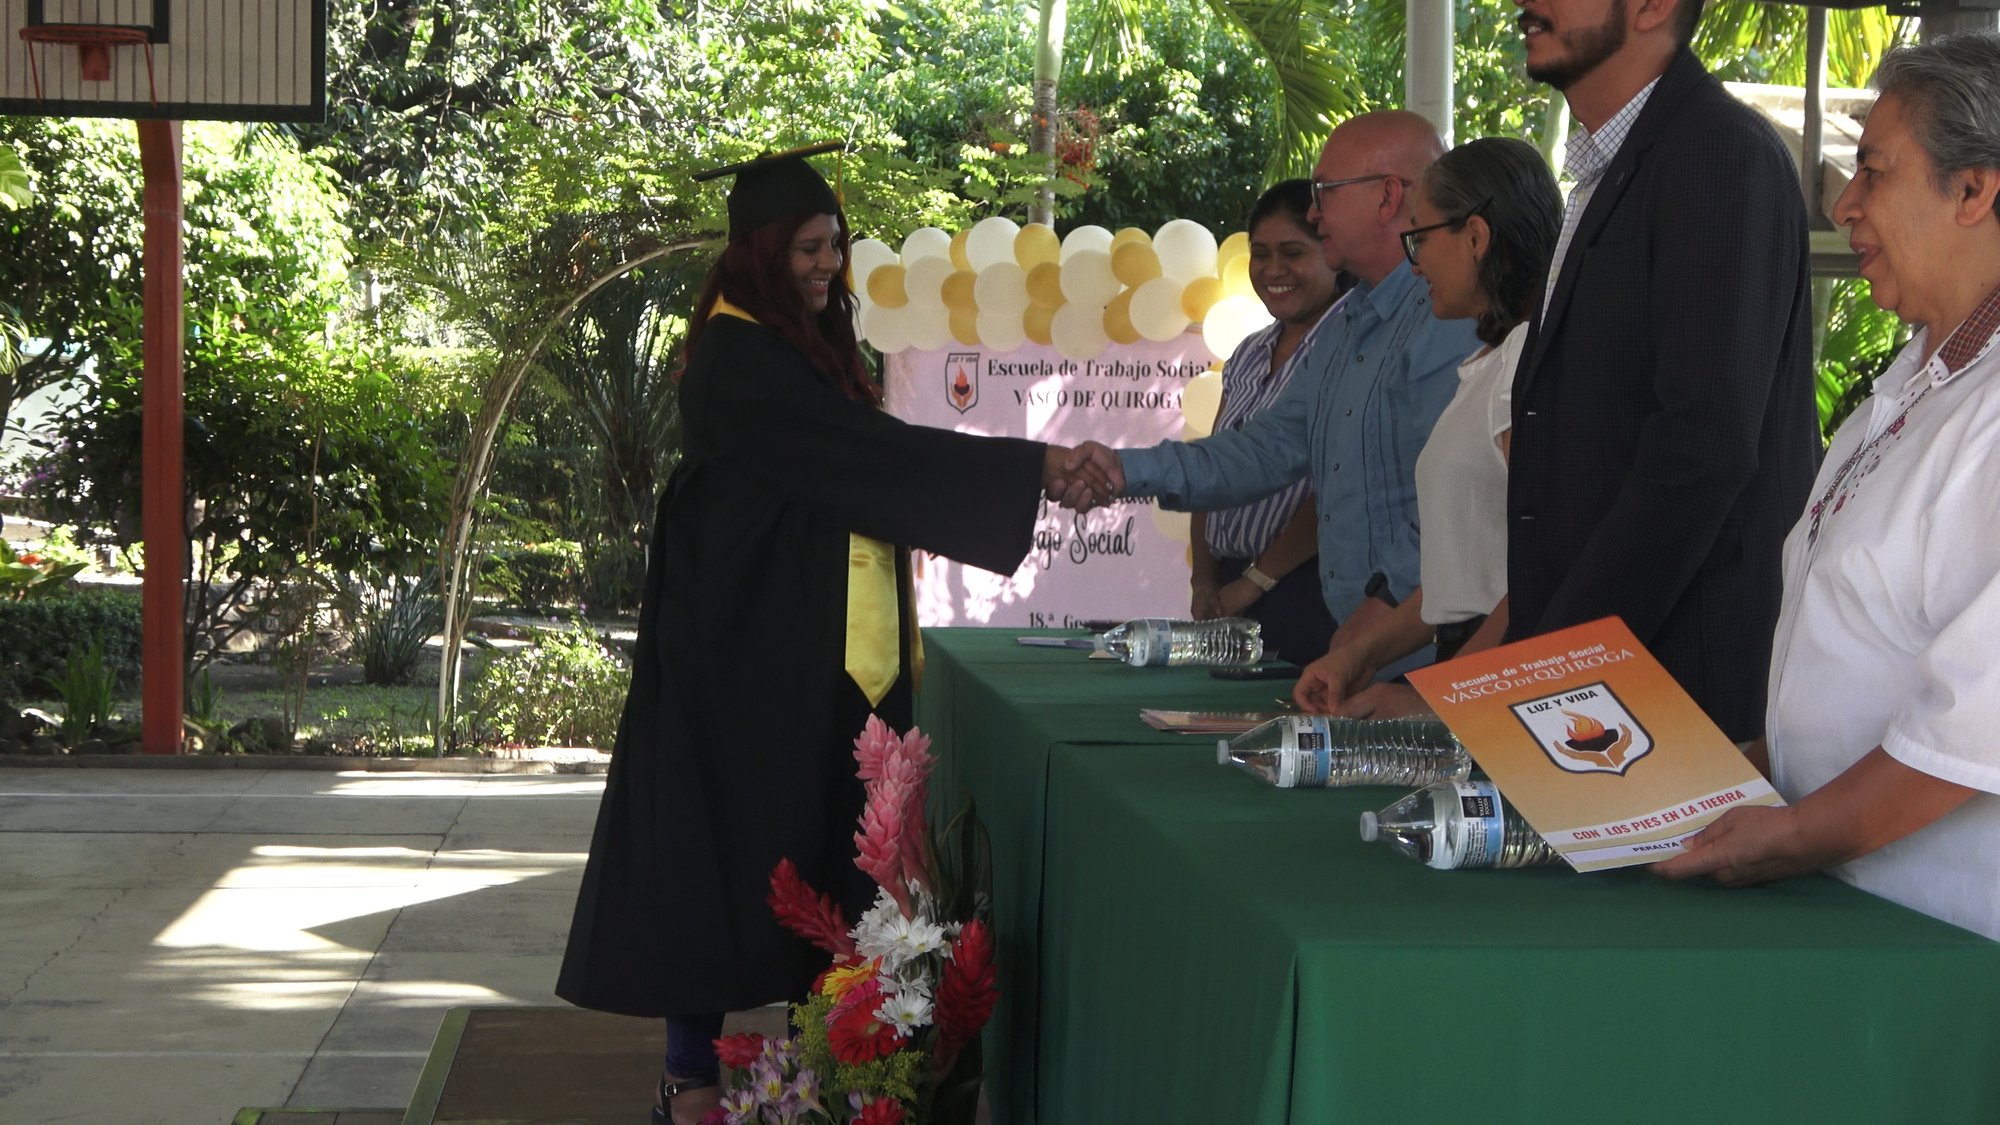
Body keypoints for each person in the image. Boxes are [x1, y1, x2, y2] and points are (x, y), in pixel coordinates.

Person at [554, 147, 1105, 1124]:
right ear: (760, 250)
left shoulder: (793, 340)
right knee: (714, 855)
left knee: (822, 853)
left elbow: (857, 465)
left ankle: (823, 1067)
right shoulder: (736, 353)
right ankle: (687, 1079)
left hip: (805, 647)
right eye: (807, 247)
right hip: (735, 650)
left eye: (833, 245)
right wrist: (1030, 470)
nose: (826, 264)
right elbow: (861, 456)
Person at [1658, 33, 2000, 942]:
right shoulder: (1913, 385)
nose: (1844, 202)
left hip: (1946, 931)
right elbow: (1856, 648)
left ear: (1974, 191)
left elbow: (1981, 716)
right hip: (1848, 904)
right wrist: (1749, 773)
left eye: (1874, 172)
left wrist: (1797, 831)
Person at [1059, 111, 1481, 676]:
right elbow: (1261, 451)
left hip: (1428, 658)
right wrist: (1124, 468)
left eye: (1325, 192)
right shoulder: (1345, 327)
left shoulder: (1449, 315)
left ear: (1386, 197)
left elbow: (1455, 502)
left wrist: (1381, 616)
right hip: (1359, 649)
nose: (1314, 212)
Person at [1503, 0, 1820, 740]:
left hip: (1681, 686)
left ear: (1652, 7)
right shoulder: (1618, 162)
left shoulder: (1719, 153)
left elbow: (1704, 443)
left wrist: (1562, 662)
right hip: (1602, 681)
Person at [1294, 137, 1561, 715]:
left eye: (1421, 238)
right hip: (1474, 680)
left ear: (1476, 237)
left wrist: (1435, 701)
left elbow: (1543, 578)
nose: (1415, 265)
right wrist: (1361, 654)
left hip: (1509, 698)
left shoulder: (1527, 369)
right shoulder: (1493, 361)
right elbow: (1457, 584)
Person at [1187, 179, 1343, 662]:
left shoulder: (1350, 348)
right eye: (1260, 254)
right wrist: (1203, 580)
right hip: (1228, 587)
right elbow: (1213, 467)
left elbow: (1336, 486)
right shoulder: (1249, 352)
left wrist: (1256, 582)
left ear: (1332, 253)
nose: (1273, 270)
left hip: (1308, 588)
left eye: (1293, 253)